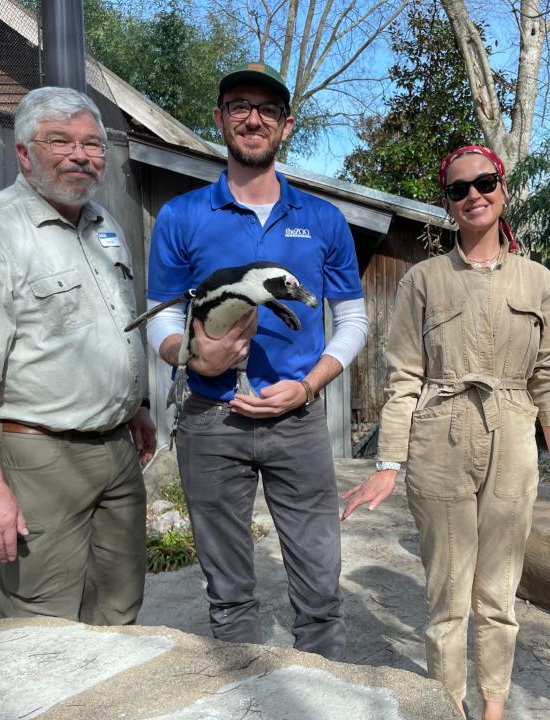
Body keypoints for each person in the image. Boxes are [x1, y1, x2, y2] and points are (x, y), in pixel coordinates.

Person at [342, 145, 550, 720]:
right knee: (447, 593)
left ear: (502, 189)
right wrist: (388, 464)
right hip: (440, 435)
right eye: (459, 189)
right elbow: (403, 376)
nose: (473, 195)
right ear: (447, 204)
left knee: (499, 593)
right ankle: (447, 704)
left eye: (484, 183)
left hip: (512, 437)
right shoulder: (423, 281)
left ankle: (495, 708)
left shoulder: (540, 282)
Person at [145, 62, 368, 661]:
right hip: (211, 421)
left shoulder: (323, 219)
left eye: (267, 110)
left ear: (286, 125)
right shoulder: (182, 216)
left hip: (296, 423)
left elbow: (352, 321)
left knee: (321, 588)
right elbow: (162, 318)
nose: (253, 118)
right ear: (219, 118)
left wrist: (311, 385)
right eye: (239, 105)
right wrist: (191, 357)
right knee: (228, 591)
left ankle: (320, 691)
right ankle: (249, 691)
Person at [0, 86, 156, 623]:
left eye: (94, 144)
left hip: (117, 451)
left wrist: (137, 406)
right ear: (23, 152)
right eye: (61, 141)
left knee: (120, 607)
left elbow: (107, 330)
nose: (81, 155)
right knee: (43, 624)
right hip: (40, 458)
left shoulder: (105, 226)